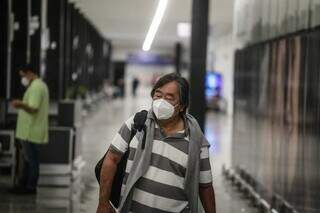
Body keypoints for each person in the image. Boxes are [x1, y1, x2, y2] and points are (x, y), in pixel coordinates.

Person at [97, 73, 216, 213]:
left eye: (169, 97)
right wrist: (103, 202)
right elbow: (111, 159)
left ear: (182, 106)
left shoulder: (196, 142)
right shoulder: (136, 124)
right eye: (158, 95)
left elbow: (205, 186)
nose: (161, 101)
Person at [10, 65, 49, 194]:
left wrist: (19, 104)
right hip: (32, 130)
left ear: (30, 73)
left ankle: (30, 187)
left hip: (31, 131)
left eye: (23, 75)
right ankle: (24, 185)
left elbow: (33, 108)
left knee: (32, 161)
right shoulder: (38, 85)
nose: (23, 78)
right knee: (29, 160)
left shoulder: (36, 86)